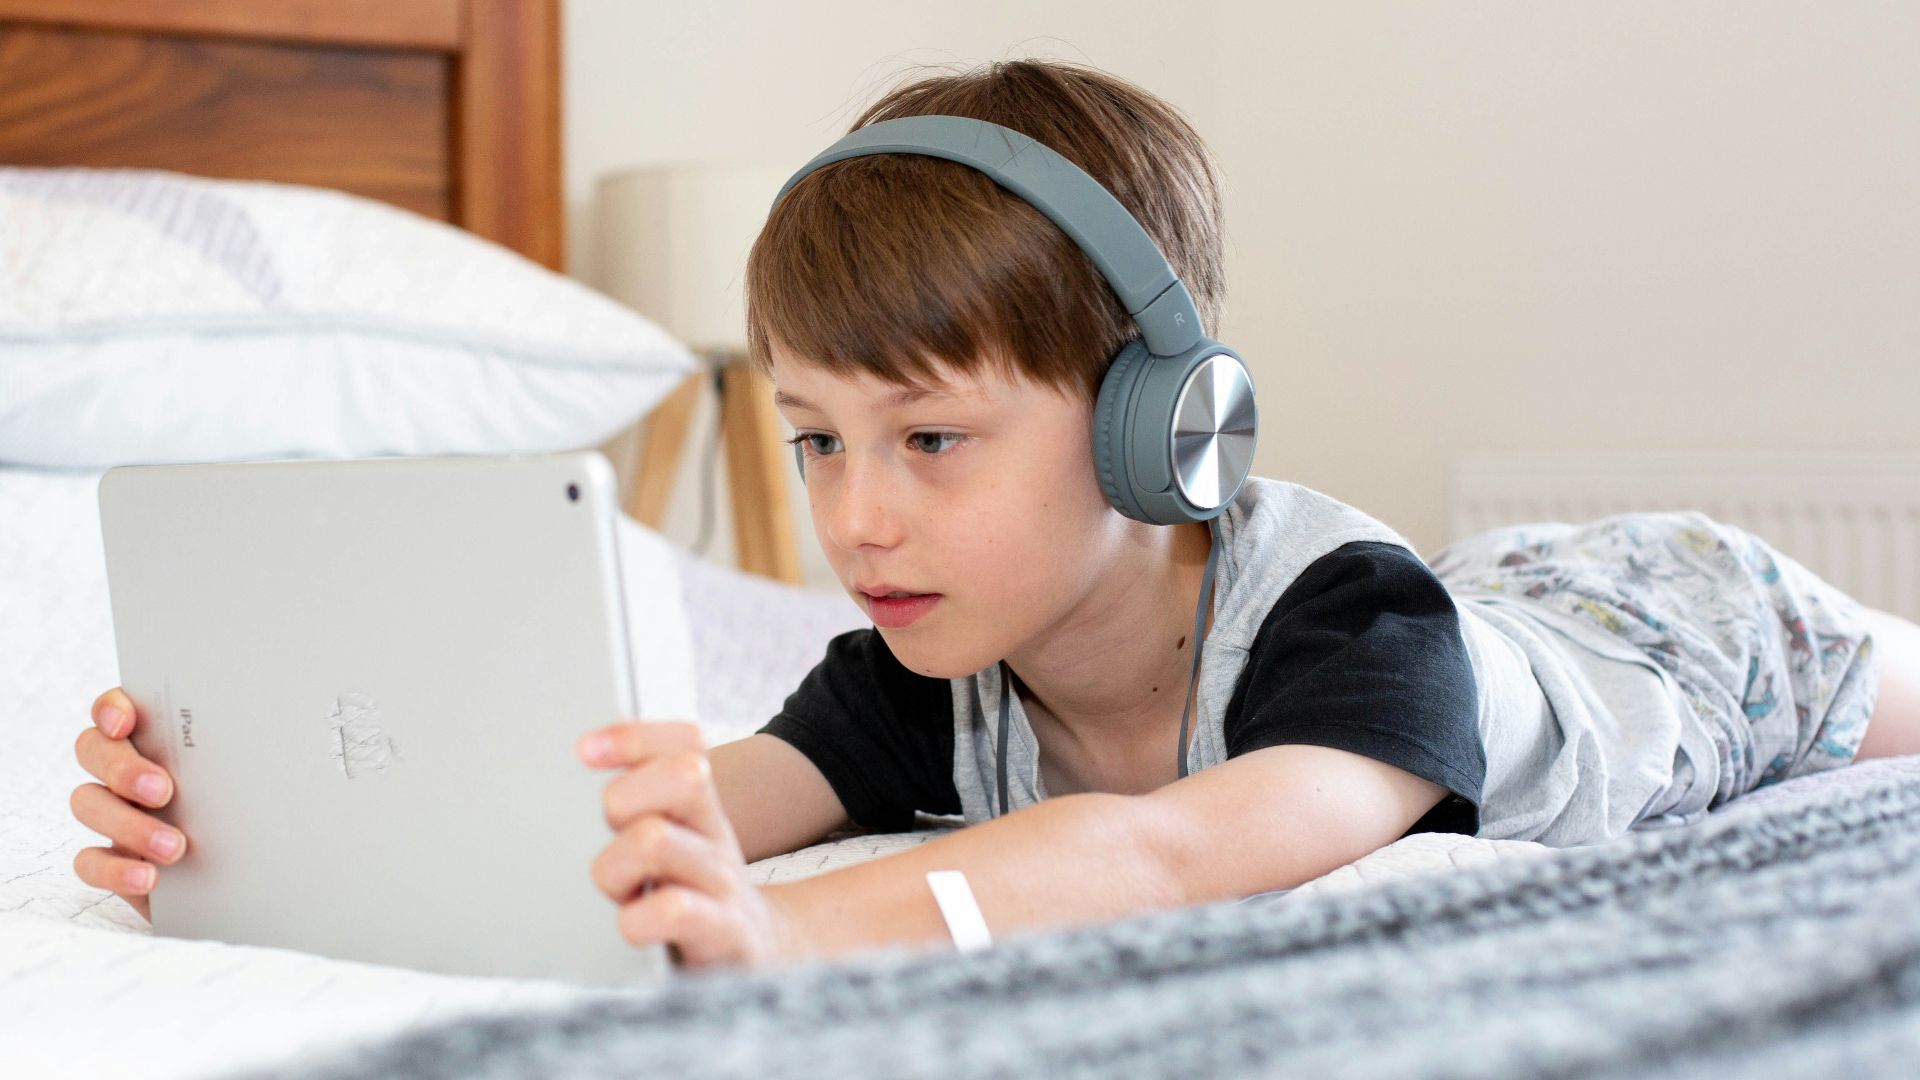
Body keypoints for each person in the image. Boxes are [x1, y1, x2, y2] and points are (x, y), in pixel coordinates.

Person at [70, 60, 1920, 971]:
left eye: (931, 440)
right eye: (810, 440)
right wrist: (271, 840)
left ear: (1157, 434)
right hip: (1507, 610)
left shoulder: (1358, 635)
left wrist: (795, 935)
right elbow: (669, 814)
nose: (854, 517)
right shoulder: (910, 664)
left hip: (1682, 635)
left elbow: (1164, 858)